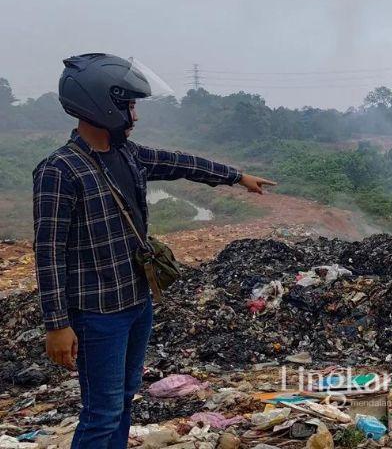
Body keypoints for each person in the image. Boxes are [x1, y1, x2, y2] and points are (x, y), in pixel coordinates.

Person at [32, 53, 276, 448]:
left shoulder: (128, 154)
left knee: (125, 400)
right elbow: (48, 252)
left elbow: (180, 162)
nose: (135, 115)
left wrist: (236, 177)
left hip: (136, 302)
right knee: (102, 412)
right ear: (101, 103)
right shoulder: (59, 170)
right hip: (97, 315)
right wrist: (57, 324)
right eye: (129, 105)